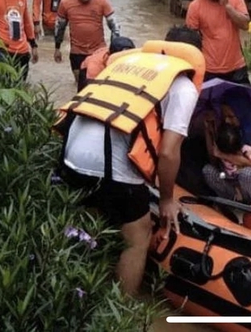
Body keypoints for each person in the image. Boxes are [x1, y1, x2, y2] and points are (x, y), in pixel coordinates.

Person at [54, 27, 204, 297]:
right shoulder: (183, 85)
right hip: (110, 166)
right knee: (137, 237)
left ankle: (77, 295)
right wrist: (167, 200)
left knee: (91, 224)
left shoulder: (129, 63)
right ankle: (120, 314)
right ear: (196, 56)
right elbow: (169, 152)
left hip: (70, 153)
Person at [185, 0, 251, 85]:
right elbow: (190, 40)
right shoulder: (195, 6)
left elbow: (245, 25)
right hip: (209, 69)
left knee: (246, 100)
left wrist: (227, 6)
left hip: (236, 67)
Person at [54, 0, 120, 85]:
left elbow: (115, 26)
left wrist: (114, 50)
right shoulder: (65, 3)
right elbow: (59, 27)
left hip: (98, 51)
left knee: (98, 84)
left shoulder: (101, 1)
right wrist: (57, 48)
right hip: (77, 52)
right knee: (80, 84)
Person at [202, 120, 251, 204]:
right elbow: (212, 154)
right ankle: (231, 202)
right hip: (232, 186)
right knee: (208, 170)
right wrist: (207, 130)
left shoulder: (245, 151)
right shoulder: (219, 153)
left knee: (246, 173)